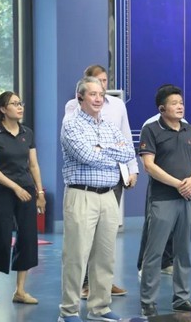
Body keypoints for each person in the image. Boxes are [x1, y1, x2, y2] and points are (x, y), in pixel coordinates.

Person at [58, 76, 136, 322]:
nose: (98, 99)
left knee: (105, 256)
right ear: (80, 97)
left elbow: (128, 151)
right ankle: (69, 311)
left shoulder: (109, 125)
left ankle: (100, 308)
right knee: (76, 256)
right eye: (93, 94)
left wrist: (101, 148)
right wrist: (108, 152)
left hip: (108, 196)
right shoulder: (71, 124)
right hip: (81, 195)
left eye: (101, 94)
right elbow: (86, 156)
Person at [139, 85, 191, 317]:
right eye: (174, 103)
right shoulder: (151, 130)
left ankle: (182, 298)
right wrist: (178, 184)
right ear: (162, 108)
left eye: (181, 102)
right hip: (162, 199)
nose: (180, 106)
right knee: (154, 252)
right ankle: (148, 301)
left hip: (188, 198)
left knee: (183, 251)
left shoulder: (189, 129)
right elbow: (149, 166)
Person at [0, 91, 46, 305]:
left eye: (21, 103)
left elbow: (33, 165)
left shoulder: (27, 133)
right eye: (14, 104)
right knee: (2, 238)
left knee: (27, 238)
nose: (20, 107)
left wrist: (40, 192)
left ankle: (20, 291)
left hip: (26, 190)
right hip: (2, 191)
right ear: (3, 109)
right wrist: (15, 187)